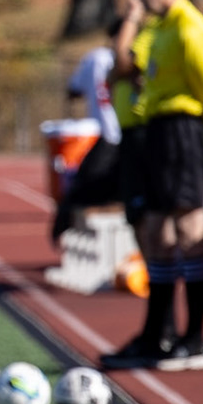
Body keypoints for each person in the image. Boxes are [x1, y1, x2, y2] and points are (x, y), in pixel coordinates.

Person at [103, 0, 203, 372]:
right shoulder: (161, 28)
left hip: (182, 130)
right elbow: (122, 68)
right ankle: (160, 335)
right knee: (157, 232)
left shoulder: (190, 28)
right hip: (158, 130)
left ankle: (194, 339)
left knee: (190, 227)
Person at [52, 19, 125, 241]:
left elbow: (73, 90)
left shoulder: (95, 58)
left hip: (108, 137)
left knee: (84, 190)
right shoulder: (129, 57)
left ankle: (67, 234)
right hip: (121, 136)